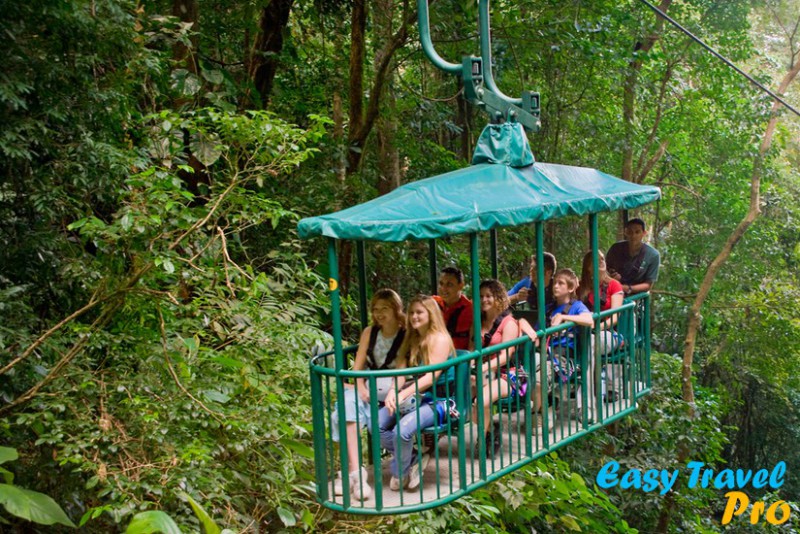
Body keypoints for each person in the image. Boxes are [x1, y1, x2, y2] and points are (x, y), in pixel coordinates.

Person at [331, 289, 406, 501]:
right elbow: (358, 366)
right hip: (367, 386)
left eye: (385, 308)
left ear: (396, 309)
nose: (379, 313)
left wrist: (393, 391)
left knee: (340, 415)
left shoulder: (405, 333)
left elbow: (402, 369)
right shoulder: (369, 332)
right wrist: (360, 386)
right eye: (376, 309)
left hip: (391, 388)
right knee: (346, 407)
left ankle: (348, 473)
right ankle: (358, 475)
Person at [380, 295, 454, 491]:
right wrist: (393, 391)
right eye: (411, 312)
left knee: (401, 432)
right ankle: (413, 458)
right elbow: (400, 371)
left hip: (438, 399)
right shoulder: (411, 339)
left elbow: (430, 377)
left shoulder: (440, 339)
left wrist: (402, 394)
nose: (414, 316)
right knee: (376, 425)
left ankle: (400, 473)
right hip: (415, 396)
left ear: (431, 314)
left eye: (419, 312)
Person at [519, 269, 593, 420]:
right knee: (523, 377)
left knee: (538, 381)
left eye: (561, 283)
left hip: (563, 358)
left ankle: (539, 413)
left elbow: (589, 320)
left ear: (570, 288)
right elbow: (538, 334)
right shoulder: (548, 309)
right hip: (544, 353)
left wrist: (564, 318)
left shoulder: (576, 306)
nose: (556, 286)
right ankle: (545, 406)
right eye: (555, 283)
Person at [470, 279, 520, 459]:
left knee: (481, 401)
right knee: (461, 399)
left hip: (506, 374)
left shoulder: (509, 323)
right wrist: (471, 367)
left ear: (498, 297)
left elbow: (505, 356)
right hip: (483, 372)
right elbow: (471, 350)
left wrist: (482, 368)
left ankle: (483, 438)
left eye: (489, 296)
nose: (484, 300)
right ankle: (491, 428)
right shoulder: (477, 322)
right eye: (481, 296)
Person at [579, 251, 624, 407]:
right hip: (583, 333)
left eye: (602, 259)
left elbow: (615, 317)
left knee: (591, 343)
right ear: (588, 267)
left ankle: (585, 401)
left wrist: (597, 328)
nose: (601, 261)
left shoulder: (613, 285)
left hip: (609, 333)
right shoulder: (582, 287)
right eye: (596, 260)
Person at [605, 218, 660, 295]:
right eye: (630, 232)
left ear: (644, 233)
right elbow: (604, 269)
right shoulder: (616, 248)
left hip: (635, 296)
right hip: (611, 292)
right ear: (625, 232)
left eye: (637, 232)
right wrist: (611, 276)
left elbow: (648, 284)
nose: (633, 236)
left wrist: (626, 288)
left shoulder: (653, 255)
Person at [432, 266, 473, 350]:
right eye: (441, 284)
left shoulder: (470, 309)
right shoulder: (432, 303)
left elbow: (474, 342)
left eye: (449, 284)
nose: (443, 289)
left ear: (461, 285)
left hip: (460, 355)